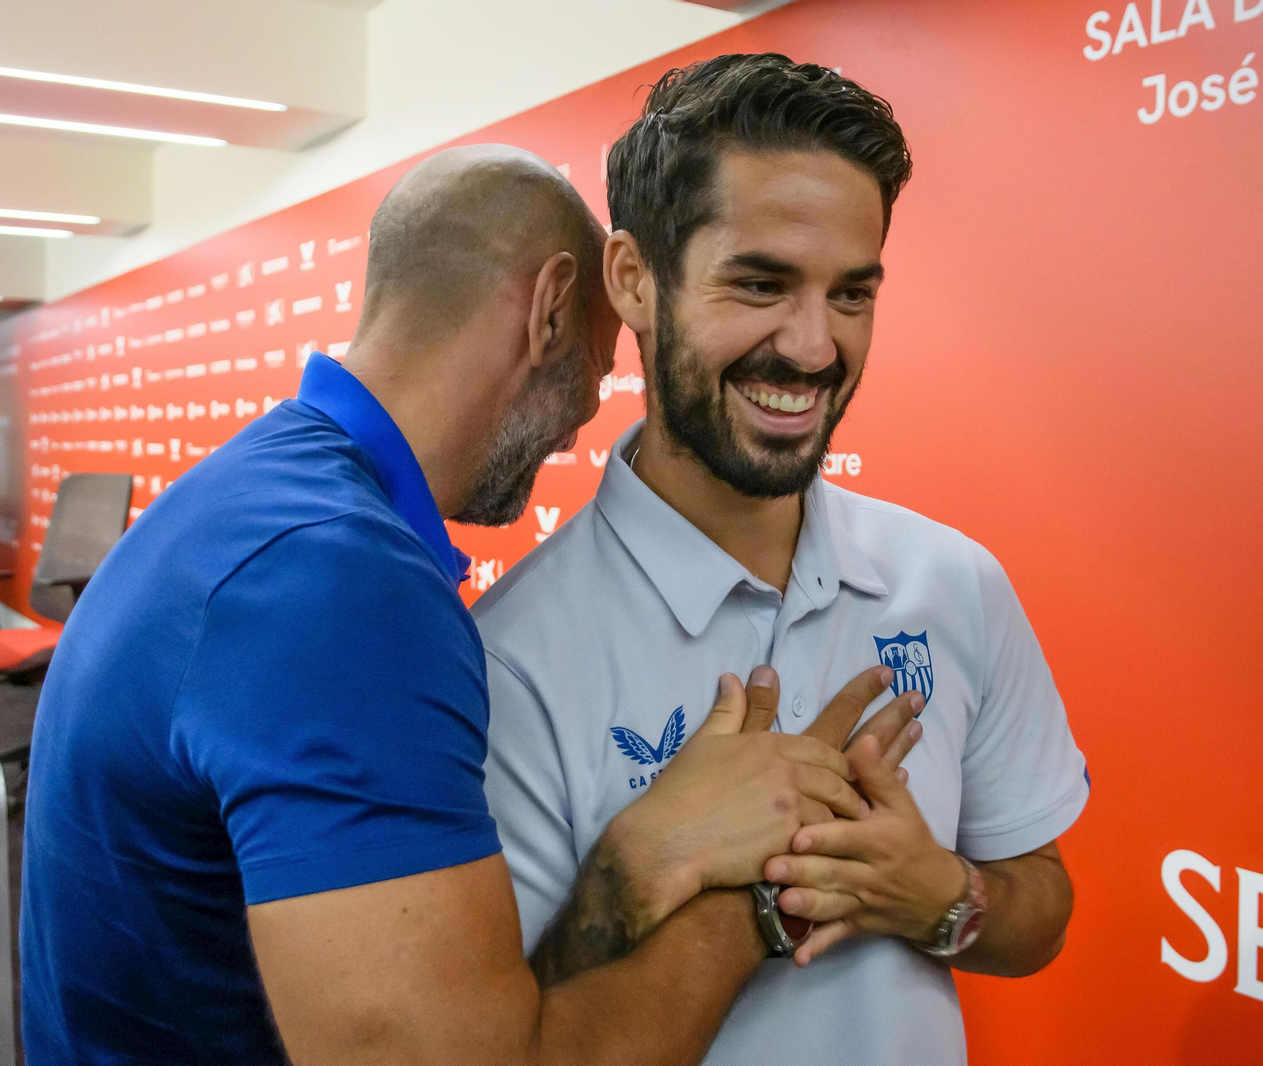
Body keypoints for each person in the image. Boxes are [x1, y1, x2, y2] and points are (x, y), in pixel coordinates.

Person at [20, 143, 922, 1065]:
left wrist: (632, 859)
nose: (583, 420)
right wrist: (770, 886)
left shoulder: (264, 499)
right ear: (550, 307)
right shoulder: (340, 586)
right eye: (600, 363)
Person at [476, 54, 1090, 1066]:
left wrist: (939, 895)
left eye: (852, 295)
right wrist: (628, 871)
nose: (812, 348)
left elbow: (1043, 911)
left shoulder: (954, 582)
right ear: (634, 280)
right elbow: (492, 1038)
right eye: (759, 284)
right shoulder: (507, 660)